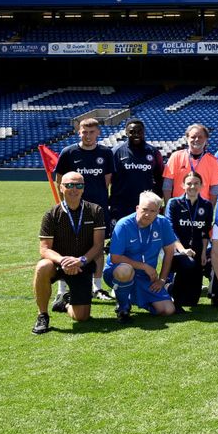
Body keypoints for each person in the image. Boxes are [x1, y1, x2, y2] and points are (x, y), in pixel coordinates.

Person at [32, 172, 105, 334]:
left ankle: (64, 303)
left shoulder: (95, 210)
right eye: (69, 185)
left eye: (78, 185)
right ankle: (42, 315)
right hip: (58, 264)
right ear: (61, 188)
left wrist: (81, 260)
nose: (74, 189)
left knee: (82, 317)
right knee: (42, 266)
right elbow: (44, 249)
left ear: (83, 188)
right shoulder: (51, 214)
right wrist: (63, 260)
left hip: (82, 265)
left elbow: (98, 244)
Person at [55, 117, 114, 302]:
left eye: (91, 132)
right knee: (67, 245)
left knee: (97, 247)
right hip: (73, 208)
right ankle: (62, 289)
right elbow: (60, 181)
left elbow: (107, 181)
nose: (87, 135)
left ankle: (97, 288)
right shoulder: (68, 152)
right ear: (78, 132)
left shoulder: (105, 153)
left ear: (98, 133)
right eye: (84, 132)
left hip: (98, 209)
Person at [104, 191, 179, 322]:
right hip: (118, 272)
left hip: (146, 277)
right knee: (125, 271)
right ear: (137, 208)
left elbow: (169, 252)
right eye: (144, 209)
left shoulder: (163, 223)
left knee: (168, 310)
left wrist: (162, 280)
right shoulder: (123, 225)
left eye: (152, 211)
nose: (147, 214)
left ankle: (134, 297)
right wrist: (144, 266)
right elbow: (115, 257)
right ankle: (123, 306)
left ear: (158, 212)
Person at [166, 171, 215, 308]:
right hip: (177, 250)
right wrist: (182, 250)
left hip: (198, 250)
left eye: (196, 184)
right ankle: (172, 290)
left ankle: (170, 288)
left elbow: (206, 231)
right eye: (189, 183)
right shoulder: (174, 203)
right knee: (187, 262)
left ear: (201, 185)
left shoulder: (207, 205)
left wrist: (204, 252)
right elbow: (171, 230)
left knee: (192, 301)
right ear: (183, 185)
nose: (192, 187)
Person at [109, 118, 163, 224]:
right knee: (121, 236)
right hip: (121, 205)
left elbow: (160, 177)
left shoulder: (153, 152)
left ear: (144, 132)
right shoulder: (116, 152)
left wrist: (157, 199)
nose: (136, 135)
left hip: (146, 205)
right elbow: (109, 178)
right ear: (126, 132)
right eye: (132, 132)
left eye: (139, 132)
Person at [162, 123, 218, 204]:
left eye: (200, 137)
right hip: (179, 205)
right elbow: (167, 184)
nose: (196, 139)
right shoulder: (176, 157)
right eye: (193, 137)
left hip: (201, 207)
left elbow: (214, 189)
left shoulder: (213, 161)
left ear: (206, 139)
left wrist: (210, 210)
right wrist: (168, 206)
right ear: (187, 138)